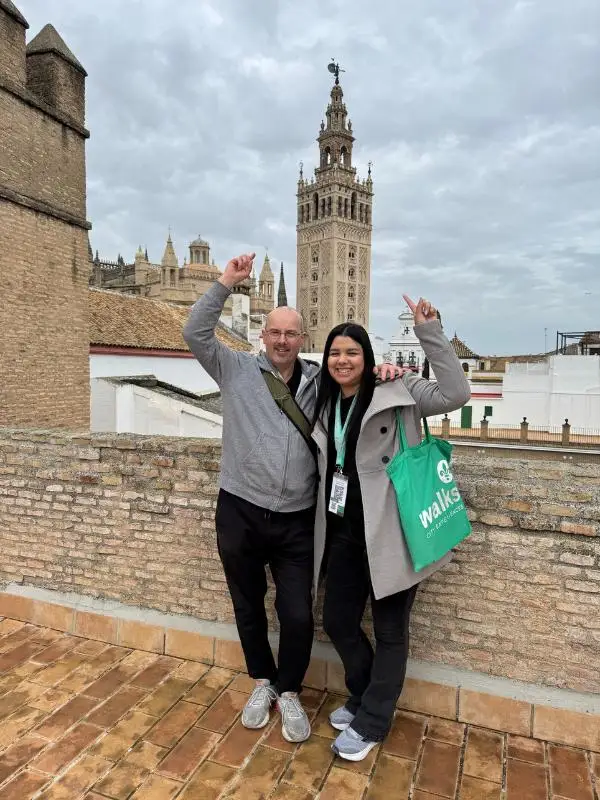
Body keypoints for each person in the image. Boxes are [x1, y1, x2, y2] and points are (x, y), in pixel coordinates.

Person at [183, 253, 402, 743]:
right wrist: (224, 284)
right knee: (247, 603)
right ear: (263, 335)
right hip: (239, 508)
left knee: (298, 611)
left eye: (292, 334)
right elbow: (194, 333)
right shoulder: (234, 368)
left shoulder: (317, 380)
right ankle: (263, 680)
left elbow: (355, 377)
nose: (283, 341)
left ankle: (289, 690)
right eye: (274, 333)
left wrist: (386, 370)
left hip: (298, 519)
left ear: (303, 340)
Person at [311, 295, 471, 761]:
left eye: (352, 352)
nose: (343, 360)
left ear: (369, 359)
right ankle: (363, 696)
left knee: (391, 631)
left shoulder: (398, 391)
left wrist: (430, 332)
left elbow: (456, 395)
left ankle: (373, 722)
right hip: (343, 532)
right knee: (339, 621)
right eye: (335, 353)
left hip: (392, 532)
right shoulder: (323, 400)